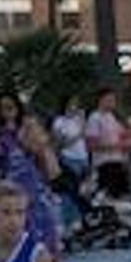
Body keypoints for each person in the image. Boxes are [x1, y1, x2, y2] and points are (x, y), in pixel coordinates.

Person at [0, 94, 61, 256]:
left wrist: (39, 143)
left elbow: (50, 167)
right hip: (11, 189)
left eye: (12, 107)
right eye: (4, 108)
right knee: (16, 230)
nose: (8, 112)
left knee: (44, 228)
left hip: (35, 188)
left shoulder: (28, 130)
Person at [51, 96, 90, 233]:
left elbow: (85, 138)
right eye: (72, 104)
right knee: (70, 191)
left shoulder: (78, 120)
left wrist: (83, 121)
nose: (74, 107)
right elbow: (60, 144)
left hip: (83, 157)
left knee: (83, 191)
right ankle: (69, 221)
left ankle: (82, 220)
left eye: (76, 104)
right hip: (69, 158)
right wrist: (79, 134)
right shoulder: (59, 122)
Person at [85, 87, 131, 200]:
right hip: (104, 163)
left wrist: (129, 135)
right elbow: (92, 145)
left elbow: (121, 135)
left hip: (117, 161)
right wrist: (117, 146)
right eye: (109, 100)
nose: (113, 103)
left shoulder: (112, 117)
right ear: (101, 100)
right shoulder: (94, 118)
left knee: (118, 196)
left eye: (114, 100)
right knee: (106, 196)